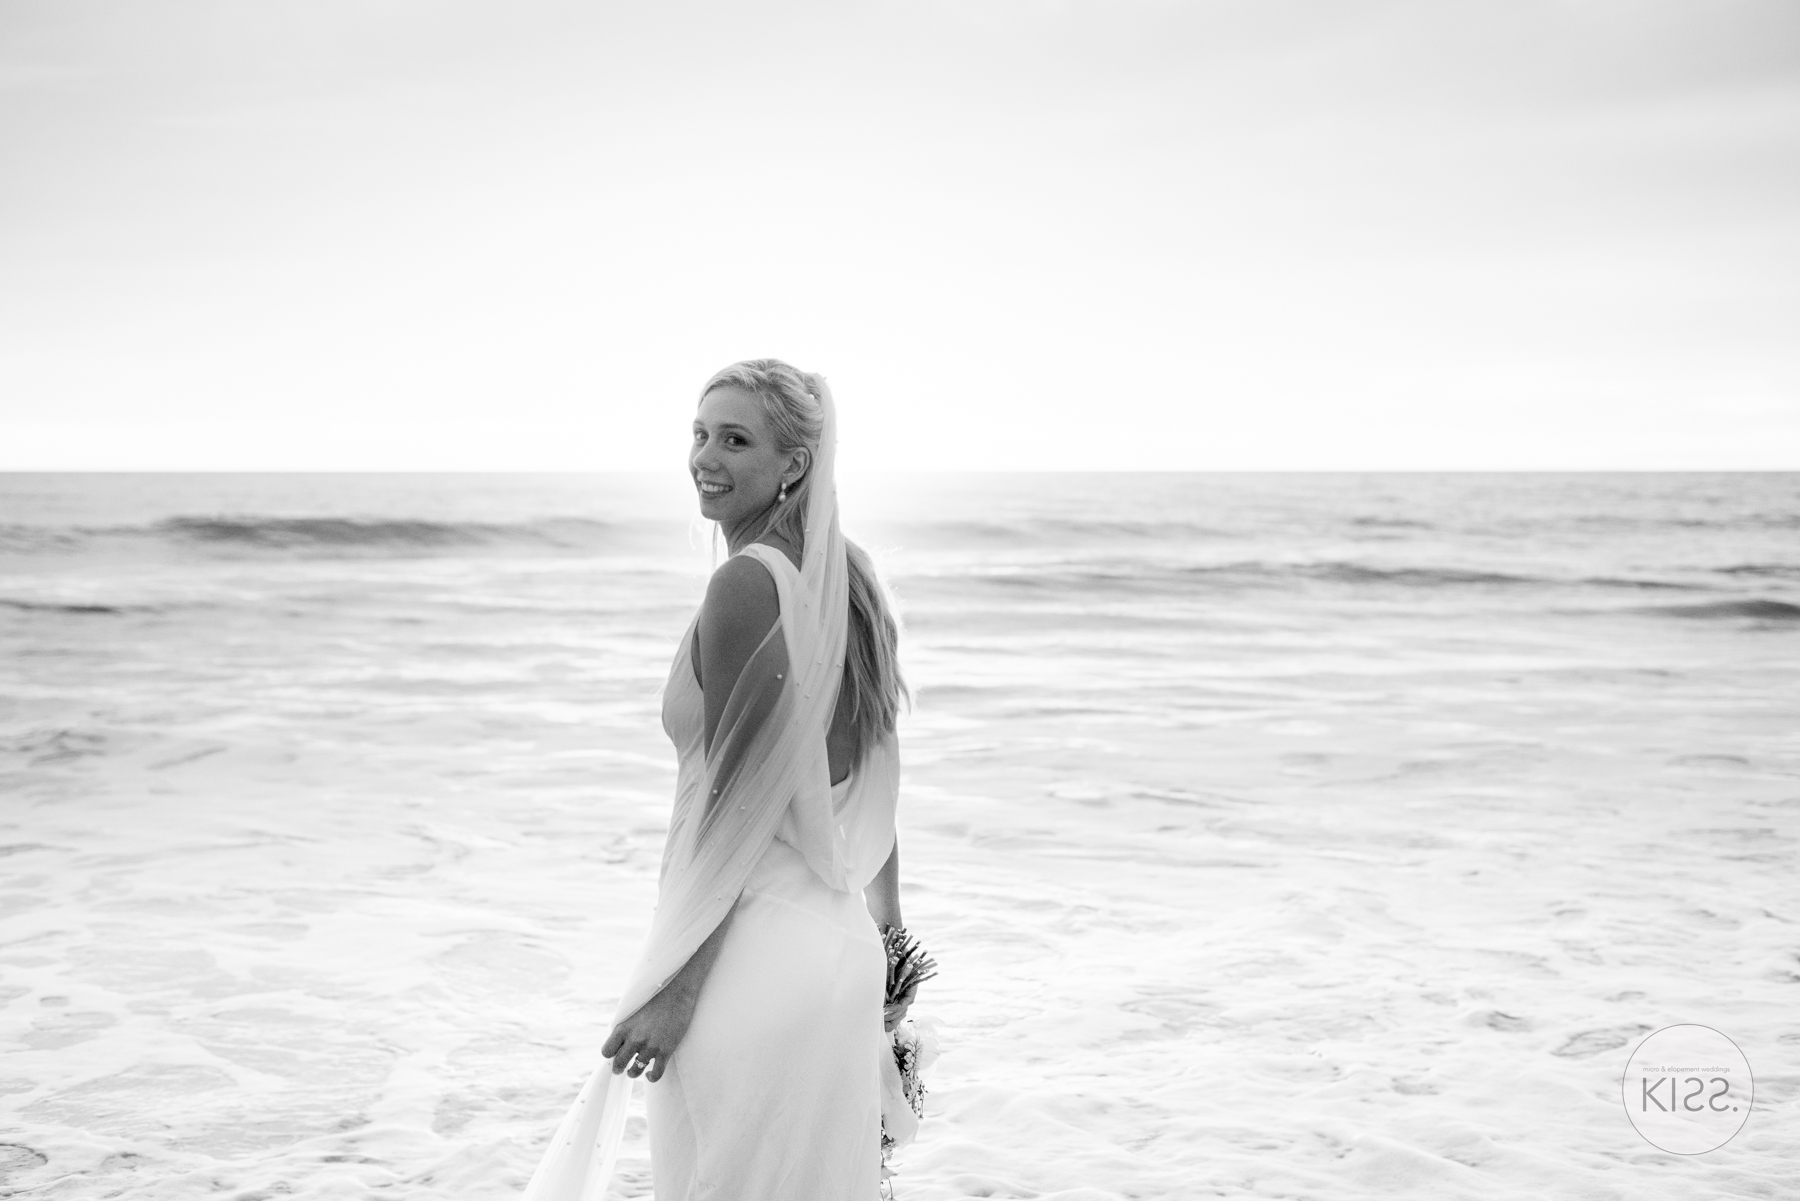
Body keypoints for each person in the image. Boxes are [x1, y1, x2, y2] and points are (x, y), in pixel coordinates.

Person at [521, 360, 917, 1201]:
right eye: (700, 434)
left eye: (736, 439)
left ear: (794, 464)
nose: (706, 456)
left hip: (749, 958)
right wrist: (890, 952)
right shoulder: (850, 577)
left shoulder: (745, 584)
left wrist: (675, 990)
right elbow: (878, 785)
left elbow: (738, 808)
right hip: (833, 955)